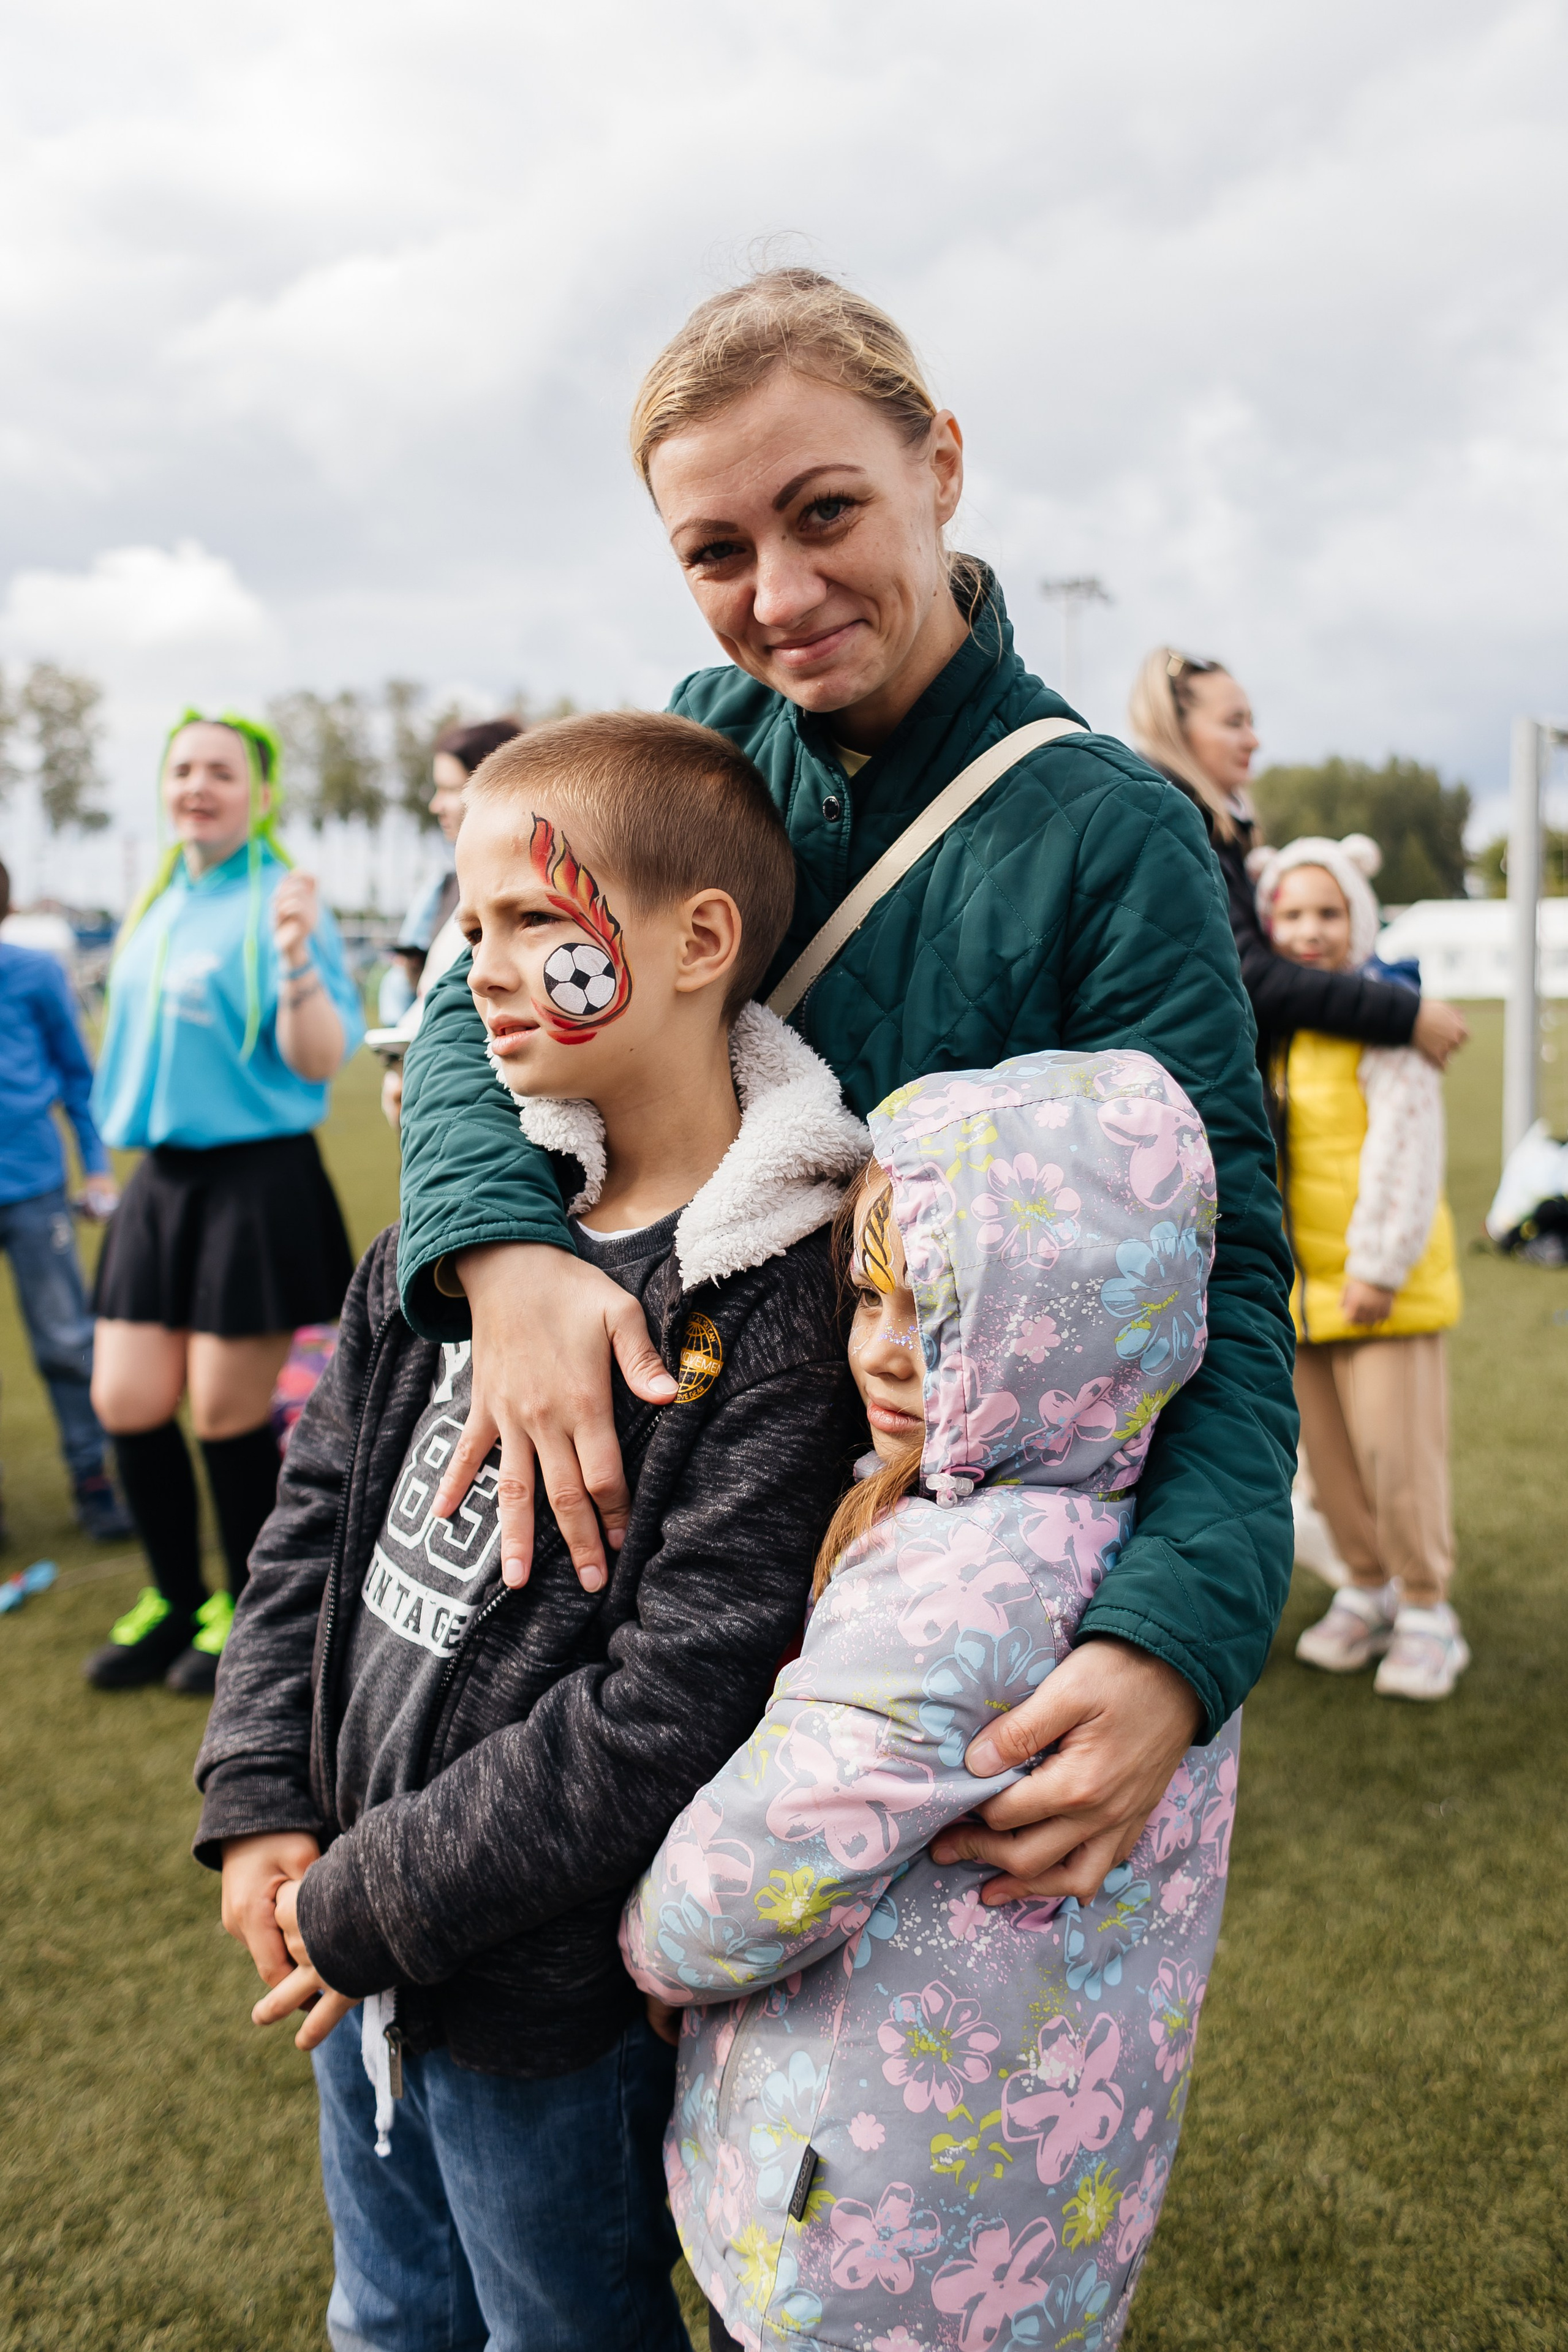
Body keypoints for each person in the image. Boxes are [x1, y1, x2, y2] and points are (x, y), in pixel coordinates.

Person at [396, 268, 1298, 1909]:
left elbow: (1218, 1265)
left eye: (825, 512)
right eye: (715, 551)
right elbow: (485, 990)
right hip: (651, 1545)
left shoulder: (1111, 832)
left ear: (938, 464)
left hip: (912, 1593)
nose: (781, 593)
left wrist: (1172, 1635)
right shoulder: (700, 735)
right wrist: (502, 1249)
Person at [192, 710, 871, 2352]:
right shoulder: (449, 1245)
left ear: (697, 941)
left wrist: (370, 1901)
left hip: (541, 2003)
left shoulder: (777, 1317)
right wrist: (263, 1789)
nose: (474, 968)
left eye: (527, 922)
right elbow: (309, 1525)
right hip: (356, 1928)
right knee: (386, 2318)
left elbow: (666, 1710)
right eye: (465, 921)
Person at [625, 1046, 1235, 2352]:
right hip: (1040, 2203)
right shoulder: (1139, 1547)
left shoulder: (951, 1586)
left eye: (945, 1312)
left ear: (1063, 1326)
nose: (885, 1353)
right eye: (870, 1298)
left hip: (853, 2229)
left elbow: (758, 1869)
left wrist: (647, 1947)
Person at [83, 712, 363, 1696]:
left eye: (221, 772)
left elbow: (319, 1059)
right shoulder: (157, 902)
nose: (197, 787)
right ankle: (174, 1599)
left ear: (262, 794)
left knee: (223, 1415)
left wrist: (292, 956)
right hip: (161, 1184)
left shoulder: (282, 901)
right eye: (183, 770)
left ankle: (246, 1616)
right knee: (125, 1399)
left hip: (256, 1181)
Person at [1254, 835, 1468, 1700]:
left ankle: (1425, 1605)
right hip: (1303, 1289)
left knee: (1394, 1453)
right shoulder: (1281, 1025)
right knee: (1328, 1459)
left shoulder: (1385, 1018)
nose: (1310, 931)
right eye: (1292, 914)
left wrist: (1377, 1265)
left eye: (1329, 912)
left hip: (1382, 1287)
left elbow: (1404, 1154)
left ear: (1361, 917)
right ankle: (1367, 1582)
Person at [1127, 649, 1470, 1082]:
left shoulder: (1210, 832)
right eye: (1234, 723)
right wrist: (1404, 1014)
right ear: (1176, 730)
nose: (1254, 741)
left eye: (1251, 722)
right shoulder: (1172, 833)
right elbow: (1247, 974)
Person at [0, 856, 131, 1545]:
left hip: (32, 1186)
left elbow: (79, 1078)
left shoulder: (35, 973)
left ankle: (92, 1479)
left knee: (65, 1341)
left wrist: (98, 1168)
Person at [377, 716, 522, 1129]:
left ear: (492, 791)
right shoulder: (442, 891)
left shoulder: (534, 890)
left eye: (449, 789)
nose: (436, 805)